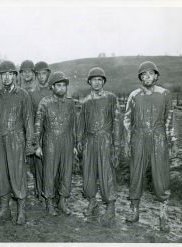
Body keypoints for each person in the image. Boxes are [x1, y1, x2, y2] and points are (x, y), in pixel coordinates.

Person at [123, 61, 178, 232]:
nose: (147, 77)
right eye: (144, 74)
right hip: (138, 137)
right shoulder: (134, 95)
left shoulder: (164, 94)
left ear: (156, 76)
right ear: (140, 77)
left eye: (150, 74)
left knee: (161, 175)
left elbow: (169, 119)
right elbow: (126, 121)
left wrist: (173, 141)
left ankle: (163, 216)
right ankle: (134, 211)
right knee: (136, 174)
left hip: (158, 137)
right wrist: (126, 142)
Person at [0, 61, 34, 225]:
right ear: (0, 76)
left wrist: (29, 144)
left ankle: (21, 211)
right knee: (1, 174)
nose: (6, 77)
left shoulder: (23, 95)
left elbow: (29, 121)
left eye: (10, 74)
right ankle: (5, 210)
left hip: (16, 140)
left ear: (14, 76)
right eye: (3, 74)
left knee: (17, 174)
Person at [77, 67, 121, 221]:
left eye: (99, 80)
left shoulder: (111, 98)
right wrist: (79, 141)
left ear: (103, 81)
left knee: (106, 172)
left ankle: (110, 206)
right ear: (89, 82)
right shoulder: (86, 101)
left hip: (105, 140)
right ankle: (92, 201)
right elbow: (81, 123)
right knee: (88, 172)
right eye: (94, 80)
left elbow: (117, 122)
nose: (96, 82)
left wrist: (116, 145)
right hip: (89, 140)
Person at [35, 71, 77, 216]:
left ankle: (63, 202)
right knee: (50, 172)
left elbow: (74, 125)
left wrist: (75, 144)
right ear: (52, 87)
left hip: (67, 141)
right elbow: (38, 124)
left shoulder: (71, 103)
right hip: (50, 141)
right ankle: (49, 203)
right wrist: (37, 145)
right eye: (58, 85)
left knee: (66, 172)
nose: (61, 88)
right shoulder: (45, 103)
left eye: (63, 86)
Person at [28, 61, 52, 202]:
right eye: (39, 74)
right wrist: (32, 138)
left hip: (52, 131)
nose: (42, 77)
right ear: (36, 76)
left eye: (45, 73)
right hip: (38, 132)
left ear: (48, 74)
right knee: (39, 163)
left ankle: (50, 191)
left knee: (52, 163)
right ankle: (39, 191)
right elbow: (29, 116)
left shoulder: (53, 90)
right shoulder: (31, 93)